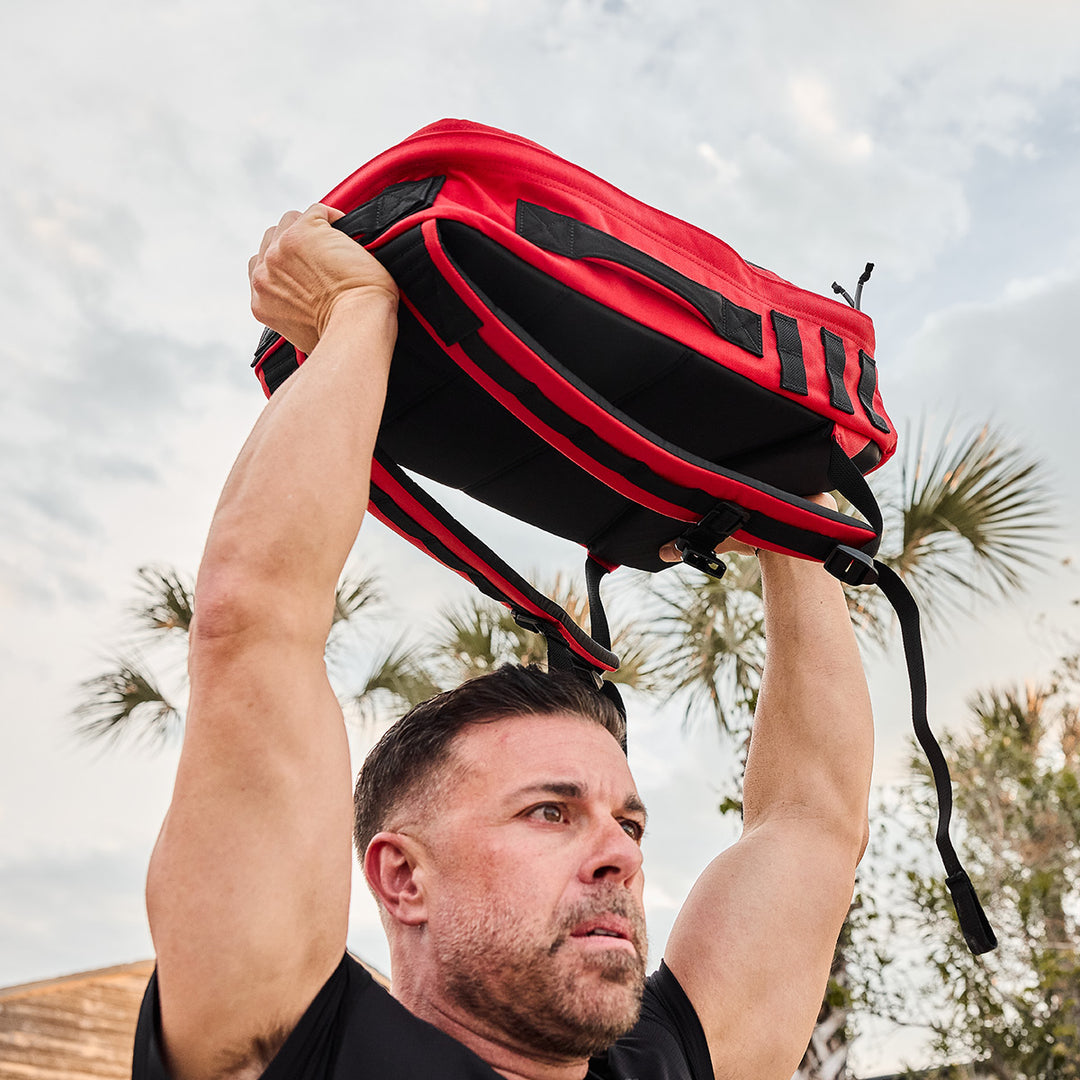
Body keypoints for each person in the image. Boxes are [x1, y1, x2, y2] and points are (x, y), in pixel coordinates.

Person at [132, 204, 874, 1080]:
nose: (621, 856)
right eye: (550, 812)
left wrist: (790, 499)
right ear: (403, 877)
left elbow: (813, 820)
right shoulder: (294, 1046)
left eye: (629, 822)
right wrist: (359, 315)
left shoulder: (665, 1065)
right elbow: (253, 624)